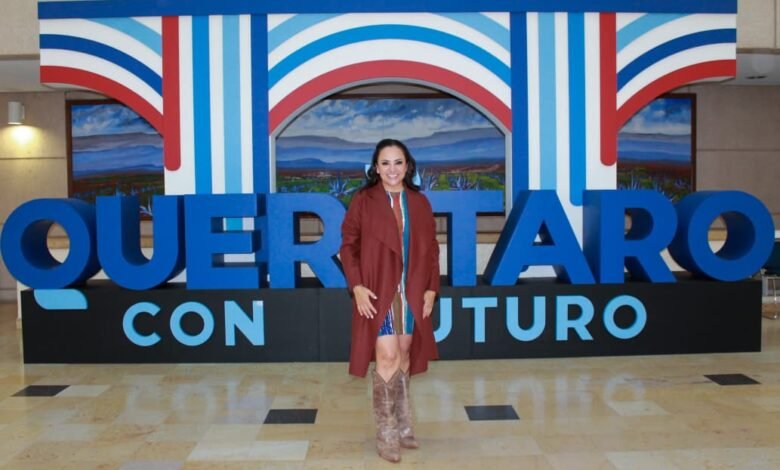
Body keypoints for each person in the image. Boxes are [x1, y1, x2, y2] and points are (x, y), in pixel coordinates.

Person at [340, 138, 440, 463]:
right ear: (376, 167)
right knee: (387, 355)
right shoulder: (363, 200)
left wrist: (431, 289)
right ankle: (387, 433)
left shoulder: (420, 203)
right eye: (385, 163)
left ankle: (404, 424)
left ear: (408, 166)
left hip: (411, 291)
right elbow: (348, 245)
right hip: (377, 290)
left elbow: (432, 249)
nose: (392, 169)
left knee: (405, 354)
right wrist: (356, 286)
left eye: (398, 162)